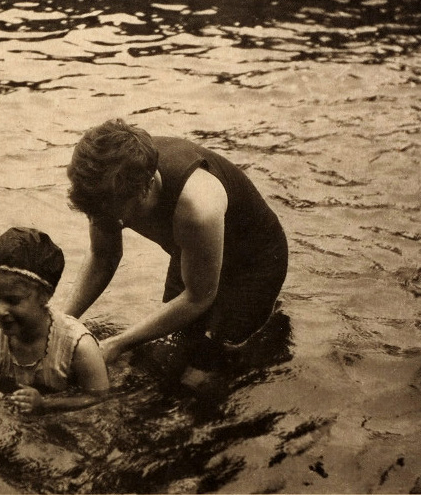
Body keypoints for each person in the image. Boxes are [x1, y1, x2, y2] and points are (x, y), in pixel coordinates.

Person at [64, 119, 288, 386]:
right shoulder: (105, 188)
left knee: (198, 380)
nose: (106, 223)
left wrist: (117, 344)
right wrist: (64, 322)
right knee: (169, 351)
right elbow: (103, 258)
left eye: (113, 215)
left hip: (254, 263)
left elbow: (196, 298)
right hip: (192, 249)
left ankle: (265, 334)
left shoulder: (197, 206)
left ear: (146, 188)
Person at [0, 227, 109, 413]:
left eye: (13, 300)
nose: (0, 311)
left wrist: (46, 405)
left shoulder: (79, 347)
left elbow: (100, 398)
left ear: (45, 296)